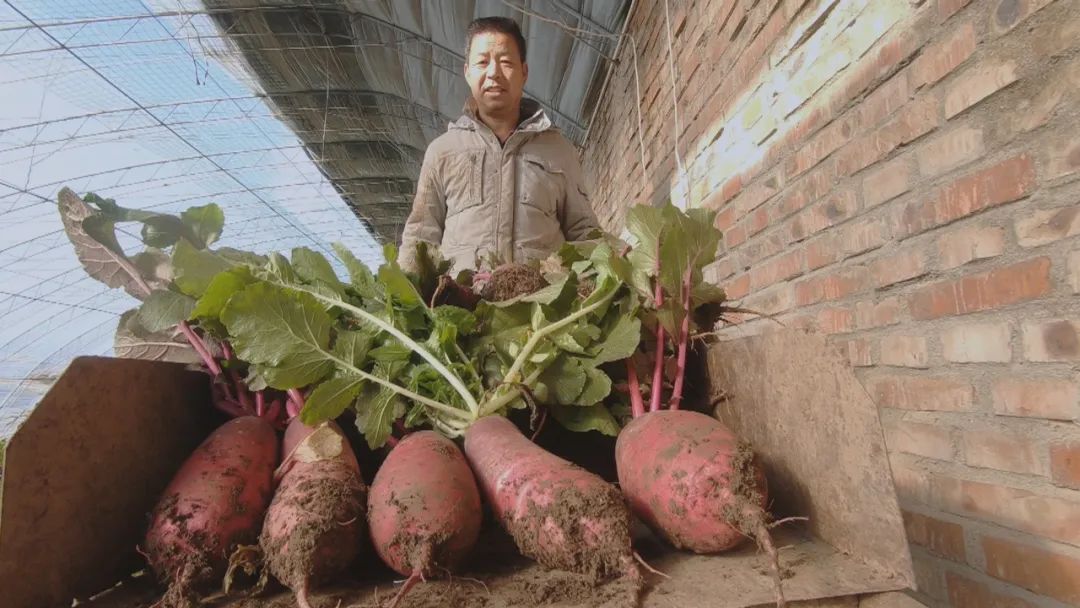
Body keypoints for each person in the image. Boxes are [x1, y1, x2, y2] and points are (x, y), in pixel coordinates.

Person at [398, 16, 600, 274]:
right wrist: (407, 301)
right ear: (467, 72)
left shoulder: (559, 150)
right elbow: (420, 238)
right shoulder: (442, 152)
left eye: (505, 62)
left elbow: (585, 232)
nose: (493, 72)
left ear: (524, 72)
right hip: (462, 310)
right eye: (482, 62)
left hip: (546, 311)